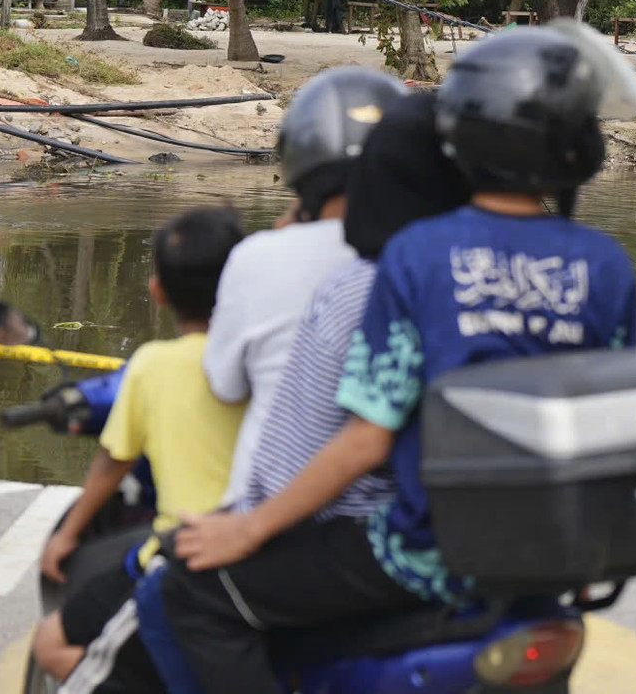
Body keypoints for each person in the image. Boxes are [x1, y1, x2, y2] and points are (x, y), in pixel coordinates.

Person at [158, 24, 636, 693]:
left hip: (424, 553)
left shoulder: (417, 254)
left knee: (198, 591)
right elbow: (608, 422)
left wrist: (247, 528)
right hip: (550, 555)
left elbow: (366, 439)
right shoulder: (609, 267)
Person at [132, 91, 473, 693]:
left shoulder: (344, 278)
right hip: (457, 522)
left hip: (334, 527)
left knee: (176, 589)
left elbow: (339, 434)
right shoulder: (459, 261)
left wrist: (252, 524)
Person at [30, 206, 246, 686]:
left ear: (158, 291)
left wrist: (66, 536)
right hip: (273, 553)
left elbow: (114, 458)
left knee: (50, 642)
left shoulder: (151, 365)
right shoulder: (269, 356)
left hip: (182, 559)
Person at [204, 67, 407, 508]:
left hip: (267, 516)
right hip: (402, 519)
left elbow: (225, 385)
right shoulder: (427, 259)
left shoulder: (259, 255)